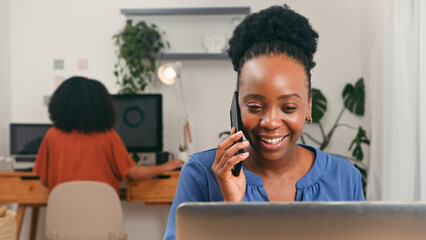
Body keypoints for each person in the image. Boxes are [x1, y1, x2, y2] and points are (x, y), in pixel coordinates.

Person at [164, 5, 364, 240]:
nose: (270, 122)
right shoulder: (201, 173)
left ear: (308, 106)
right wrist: (231, 207)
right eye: (255, 107)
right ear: (236, 105)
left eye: (288, 107)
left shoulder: (343, 177)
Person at [33, 76, 184, 194]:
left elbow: (44, 181)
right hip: (103, 222)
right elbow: (133, 173)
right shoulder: (108, 136)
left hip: (62, 224)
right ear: (101, 106)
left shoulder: (52, 136)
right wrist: (165, 166)